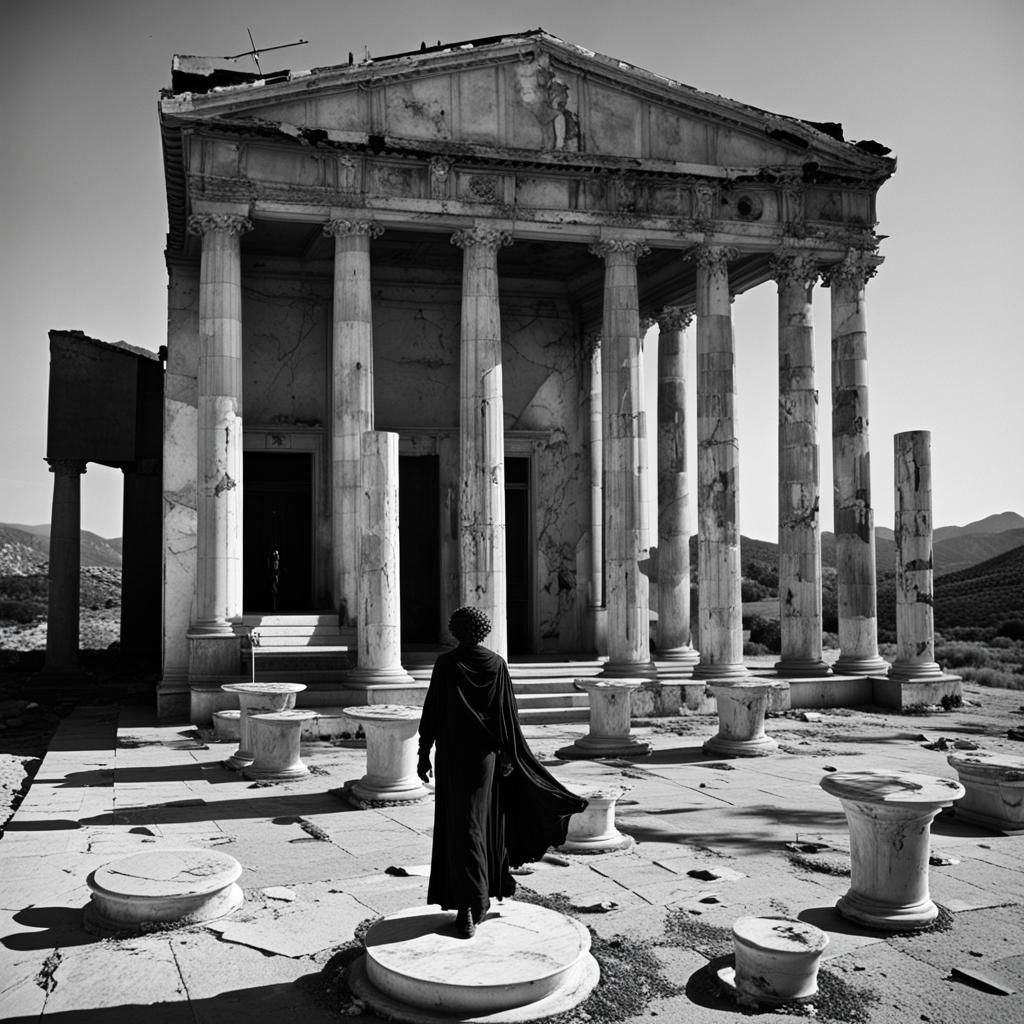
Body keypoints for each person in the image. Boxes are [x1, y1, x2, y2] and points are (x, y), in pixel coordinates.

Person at [417, 606, 587, 938]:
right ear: (483, 631)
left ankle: (469, 906)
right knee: (476, 824)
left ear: (455, 630)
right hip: (483, 760)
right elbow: (507, 716)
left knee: (464, 826)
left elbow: (433, 713)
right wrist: (508, 754)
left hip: (456, 757)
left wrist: (424, 752)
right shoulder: (495, 664)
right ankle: (479, 895)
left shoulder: (448, 664)